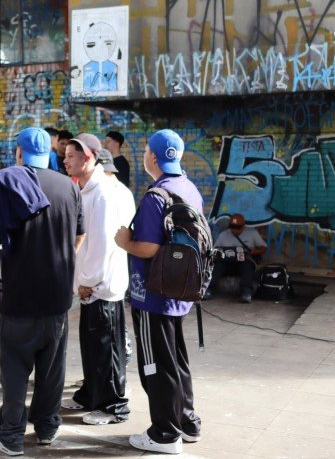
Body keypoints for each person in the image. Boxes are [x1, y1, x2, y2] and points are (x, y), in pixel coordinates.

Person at [0, 127, 84, 456]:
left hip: (20, 296)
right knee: (52, 368)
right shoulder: (69, 187)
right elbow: (78, 235)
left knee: (15, 369)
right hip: (57, 295)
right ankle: (46, 427)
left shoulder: (7, 185)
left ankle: (11, 434)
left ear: (19, 153)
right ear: (51, 154)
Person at [113, 129, 203, 455]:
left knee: (155, 365)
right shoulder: (188, 188)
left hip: (152, 294)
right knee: (176, 359)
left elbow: (149, 248)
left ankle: (165, 433)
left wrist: (125, 242)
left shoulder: (157, 195)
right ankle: (187, 422)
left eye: (147, 150)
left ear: (153, 156)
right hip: (180, 289)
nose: (144, 155)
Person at [61, 134, 134, 426]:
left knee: (107, 347)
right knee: (92, 346)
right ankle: (90, 394)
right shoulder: (87, 189)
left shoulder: (103, 193)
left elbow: (104, 242)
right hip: (91, 283)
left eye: (71, 156)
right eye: (65, 155)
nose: (65, 161)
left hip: (101, 286)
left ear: (89, 158)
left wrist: (89, 281)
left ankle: (114, 406)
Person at [209, 213, 267, 303]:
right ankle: (209, 290)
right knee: (217, 265)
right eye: (232, 227)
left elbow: (263, 248)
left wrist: (254, 251)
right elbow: (215, 250)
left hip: (243, 263)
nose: (235, 230)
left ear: (243, 226)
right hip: (226, 264)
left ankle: (246, 293)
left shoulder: (252, 233)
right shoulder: (224, 235)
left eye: (238, 228)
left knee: (247, 265)